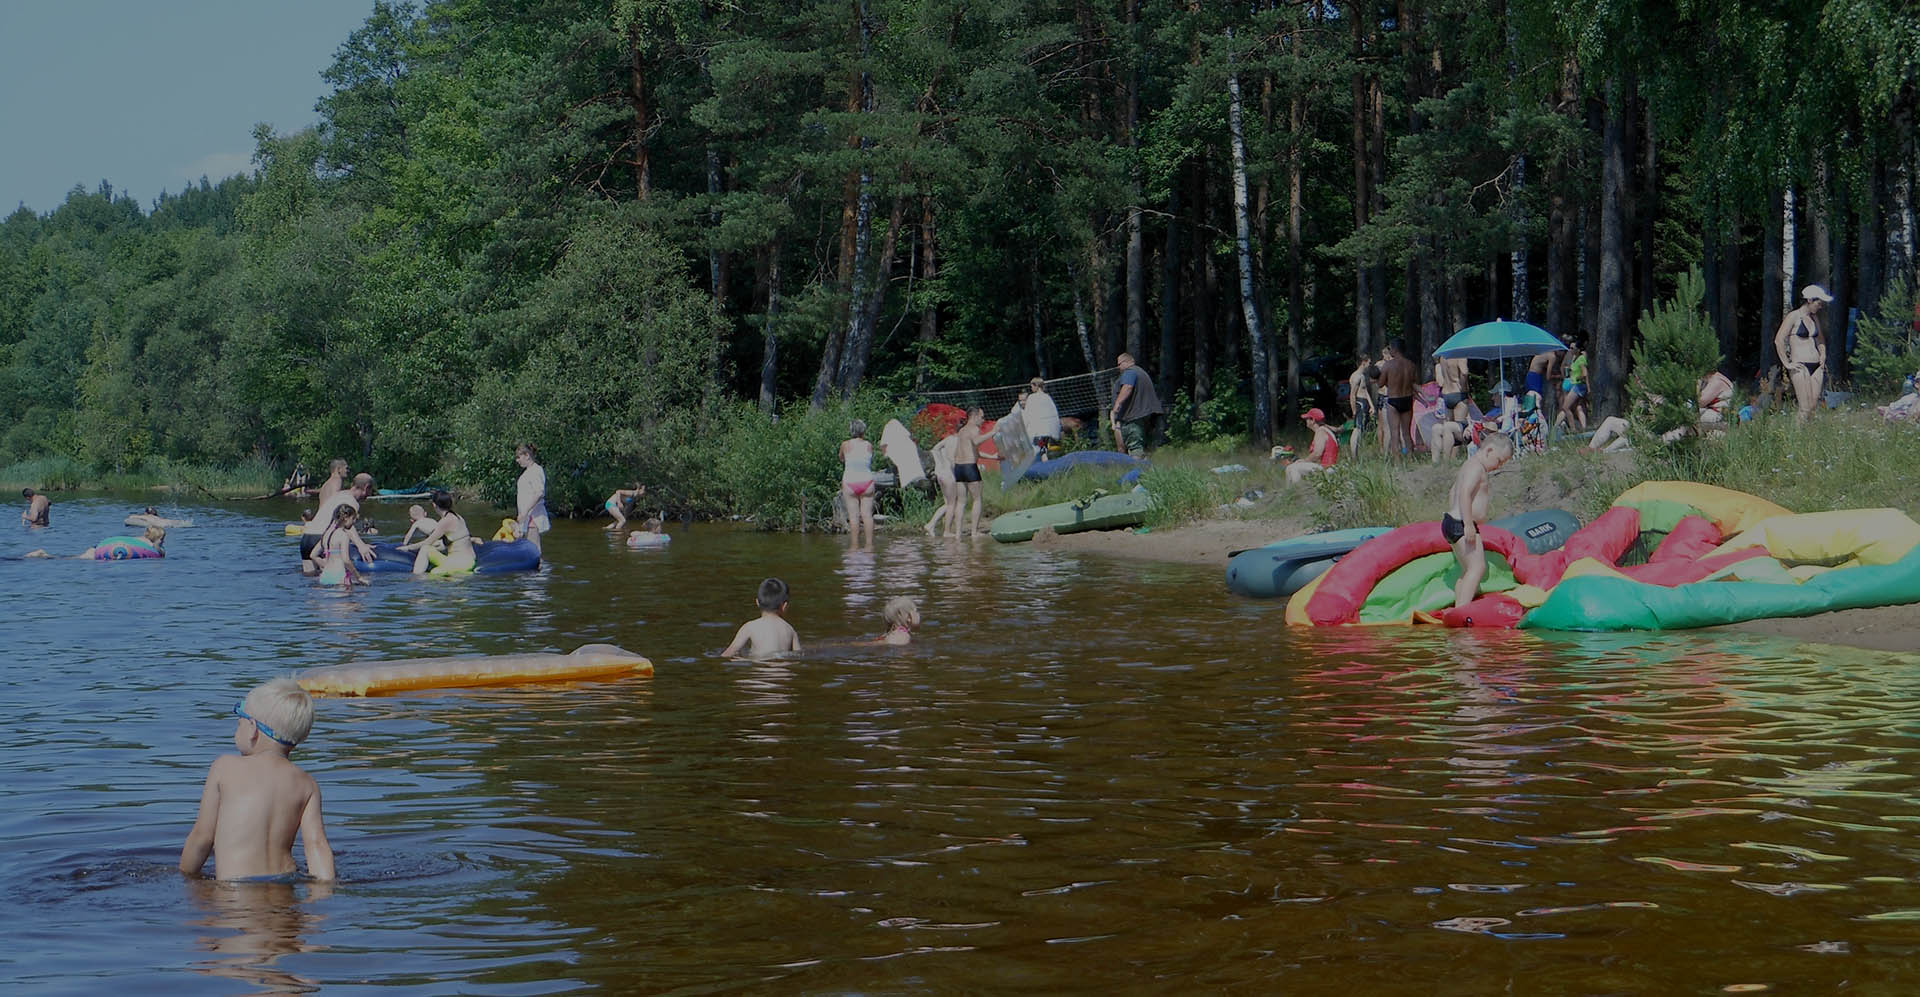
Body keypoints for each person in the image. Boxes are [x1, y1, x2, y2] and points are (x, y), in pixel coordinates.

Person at [180, 677, 335, 882]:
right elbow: (316, 845)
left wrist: (185, 877)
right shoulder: (306, 784)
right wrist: (324, 891)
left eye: (239, 723)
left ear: (252, 729)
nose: (237, 729)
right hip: (283, 894)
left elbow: (202, 837)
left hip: (234, 899)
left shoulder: (225, 767)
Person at [1445, 434, 1513, 610]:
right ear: (1489, 450)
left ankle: (1459, 604)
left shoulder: (1468, 466)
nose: (1499, 466)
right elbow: (1464, 493)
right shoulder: (1476, 468)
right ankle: (1462, 610)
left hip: (1454, 521)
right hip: (1461, 523)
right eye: (1499, 460)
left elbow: (1453, 490)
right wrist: (1468, 523)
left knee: (1468, 570)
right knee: (1478, 568)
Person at [1774, 284, 1831, 421]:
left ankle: (1809, 438)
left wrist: (1823, 355)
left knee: (1812, 407)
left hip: (1817, 366)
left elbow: (1820, 339)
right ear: (1810, 300)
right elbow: (1779, 340)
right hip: (1800, 365)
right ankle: (1795, 439)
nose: (1820, 306)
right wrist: (1787, 363)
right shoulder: (1794, 316)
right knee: (1804, 408)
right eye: (1819, 302)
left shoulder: (1814, 318)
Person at [300, 474, 374, 572]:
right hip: (320, 538)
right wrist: (361, 546)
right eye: (370, 490)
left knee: (310, 577)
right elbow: (347, 525)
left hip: (306, 539)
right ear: (366, 487)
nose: (369, 494)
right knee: (331, 576)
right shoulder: (351, 501)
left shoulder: (339, 495)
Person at [400, 489, 478, 575]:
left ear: (434, 505)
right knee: (429, 550)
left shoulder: (445, 522)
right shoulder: (458, 517)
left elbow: (427, 542)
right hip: (469, 561)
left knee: (426, 552)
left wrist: (407, 548)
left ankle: (416, 579)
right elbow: (449, 543)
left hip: (460, 563)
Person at [723, 577, 801, 658]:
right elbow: (798, 656)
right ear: (784, 606)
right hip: (783, 669)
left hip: (761, 668)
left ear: (757, 602)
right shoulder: (790, 630)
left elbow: (728, 653)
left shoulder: (750, 627)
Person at [1108, 352, 1164, 457]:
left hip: (1133, 416)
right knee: (1145, 448)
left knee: (1135, 448)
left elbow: (1128, 387)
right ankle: (1147, 470)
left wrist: (1117, 405)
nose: (1118, 367)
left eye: (1119, 364)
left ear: (1126, 362)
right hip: (1147, 414)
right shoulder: (1141, 372)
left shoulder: (1130, 372)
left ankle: (1136, 471)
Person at [947, 408, 990, 538]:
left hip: (958, 468)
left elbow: (974, 451)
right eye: (982, 417)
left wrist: (994, 457)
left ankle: (958, 533)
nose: (983, 420)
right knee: (977, 499)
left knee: (961, 502)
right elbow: (977, 442)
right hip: (969, 467)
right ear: (975, 416)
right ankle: (974, 532)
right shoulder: (974, 429)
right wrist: (993, 432)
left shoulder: (962, 431)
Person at [26, 525, 168, 560]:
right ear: (159, 538)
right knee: (71, 560)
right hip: (110, 550)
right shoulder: (151, 546)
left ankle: (46, 555)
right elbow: (159, 552)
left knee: (75, 558)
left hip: (101, 547)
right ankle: (44, 555)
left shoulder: (138, 539)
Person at [1376, 340, 1417, 458]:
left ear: (1394, 349)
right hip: (1407, 399)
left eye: (1390, 349)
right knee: (1407, 433)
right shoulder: (1411, 365)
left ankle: (1397, 463)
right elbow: (1414, 382)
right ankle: (1410, 458)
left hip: (1394, 400)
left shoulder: (1388, 365)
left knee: (1394, 433)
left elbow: (1380, 384)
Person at [839, 420, 877, 548]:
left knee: (854, 517)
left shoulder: (845, 445)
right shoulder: (869, 445)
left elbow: (841, 458)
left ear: (851, 431)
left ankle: (854, 546)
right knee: (867, 516)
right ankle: (869, 546)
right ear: (863, 431)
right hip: (867, 481)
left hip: (850, 482)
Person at [314, 504, 371, 586]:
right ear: (346, 518)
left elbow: (313, 555)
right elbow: (346, 560)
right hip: (339, 577)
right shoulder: (343, 535)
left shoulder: (327, 534)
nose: (354, 521)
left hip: (325, 576)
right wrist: (359, 577)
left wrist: (326, 565)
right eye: (353, 518)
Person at [1286, 409, 1341, 485]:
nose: (1306, 421)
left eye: (1307, 419)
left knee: (1292, 468)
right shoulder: (1325, 430)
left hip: (1327, 468)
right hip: (1329, 467)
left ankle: (1297, 493)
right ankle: (1294, 492)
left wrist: (1305, 460)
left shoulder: (1320, 432)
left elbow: (1317, 453)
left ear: (1313, 420)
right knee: (1293, 466)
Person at [923, 432, 960, 537]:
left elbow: (934, 448)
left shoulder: (946, 441)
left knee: (948, 503)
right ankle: (940, 528)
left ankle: (932, 525)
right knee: (952, 503)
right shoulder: (956, 441)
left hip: (940, 474)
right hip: (949, 475)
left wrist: (941, 462)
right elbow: (953, 460)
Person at [514, 443, 550, 539]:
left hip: (533, 517)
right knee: (528, 550)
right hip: (526, 518)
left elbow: (539, 493)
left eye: (519, 457)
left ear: (527, 455)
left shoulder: (536, 470)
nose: (517, 460)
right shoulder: (528, 472)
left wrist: (524, 512)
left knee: (534, 550)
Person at [1554, 342, 1590, 434]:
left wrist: (1580, 378)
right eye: (1569, 348)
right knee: (1579, 407)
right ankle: (1583, 428)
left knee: (1565, 407)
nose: (1570, 350)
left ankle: (1573, 428)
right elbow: (1564, 367)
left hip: (1578, 386)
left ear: (1578, 349)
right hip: (1574, 384)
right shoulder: (1574, 357)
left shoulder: (1581, 358)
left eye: (1572, 348)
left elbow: (1585, 373)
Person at [1347, 354, 1378, 456]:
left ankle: (1357, 453)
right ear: (1363, 362)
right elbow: (1352, 395)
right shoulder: (1356, 376)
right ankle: (1353, 456)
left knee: (1361, 430)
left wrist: (1371, 405)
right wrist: (1354, 410)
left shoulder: (1362, 376)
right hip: (1359, 403)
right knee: (1357, 429)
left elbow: (1365, 391)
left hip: (1364, 403)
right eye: (1369, 362)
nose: (1370, 365)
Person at [1435, 354, 1470, 423]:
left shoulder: (1443, 357)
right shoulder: (1460, 356)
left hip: (1446, 393)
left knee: (1449, 426)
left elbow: (1440, 382)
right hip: (1458, 392)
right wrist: (1462, 387)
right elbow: (1464, 372)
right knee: (1460, 426)